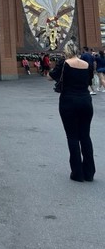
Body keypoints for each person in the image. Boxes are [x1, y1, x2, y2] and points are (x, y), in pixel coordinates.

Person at [48, 42, 95, 182]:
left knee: (72, 137)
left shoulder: (64, 63)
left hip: (68, 101)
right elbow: (89, 81)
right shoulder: (87, 64)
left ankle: (77, 173)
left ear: (66, 51)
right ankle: (89, 172)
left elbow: (50, 77)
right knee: (85, 136)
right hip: (86, 101)